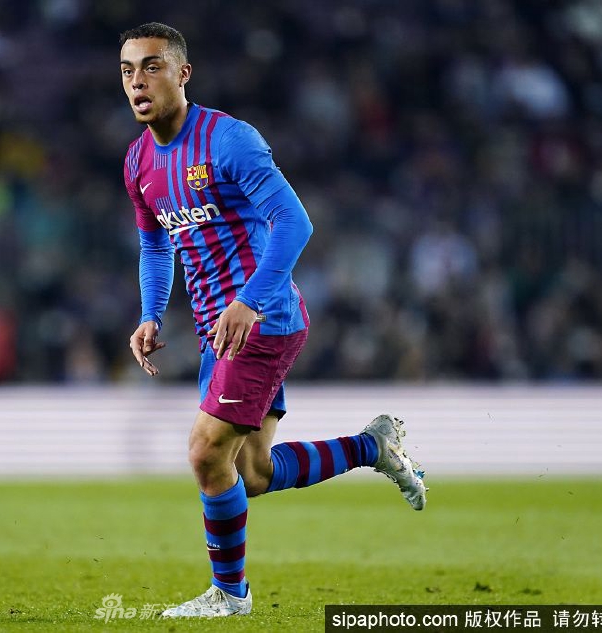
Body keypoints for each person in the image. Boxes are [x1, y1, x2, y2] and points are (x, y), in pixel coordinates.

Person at [119, 22, 427, 618]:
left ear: (183, 73)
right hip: (219, 331)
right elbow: (155, 243)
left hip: (262, 320)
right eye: (129, 70)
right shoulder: (138, 162)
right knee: (253, 473)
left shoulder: (229, 140)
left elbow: (295, 223)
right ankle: (373, 446)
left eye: (153, 66)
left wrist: (250, 300)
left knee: (205, 454)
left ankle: (230, 595)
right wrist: (151, 313)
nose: (138, 81)